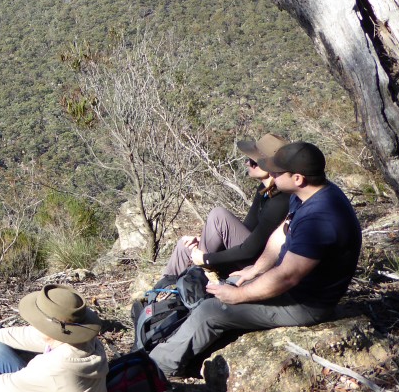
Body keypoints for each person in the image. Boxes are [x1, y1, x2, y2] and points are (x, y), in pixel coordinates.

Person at [150, 141, 362, 378]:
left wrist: (239, 295)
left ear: (298, 178)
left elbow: (287, 276)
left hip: (305, 304)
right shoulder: (304, 195)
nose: (270, 174)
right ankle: (182, 354)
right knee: (221, 290)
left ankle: (155, 369)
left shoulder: (321, 217)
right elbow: (281, 235)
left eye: (277, 172)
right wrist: (254, 271)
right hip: (289, 287)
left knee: (211, 310)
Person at [160, 133, 291, 280]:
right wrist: (206, 239)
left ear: (269, 166)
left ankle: (192, 280)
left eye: (253, 162)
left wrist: (206, 258)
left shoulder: (281, 200)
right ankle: (160, 292)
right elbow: (247, 228)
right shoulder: (264, 190)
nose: (247, 163)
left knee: (218, 215)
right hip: (248, 254)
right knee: (184, 247)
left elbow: (250, 249)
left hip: (260, 263)